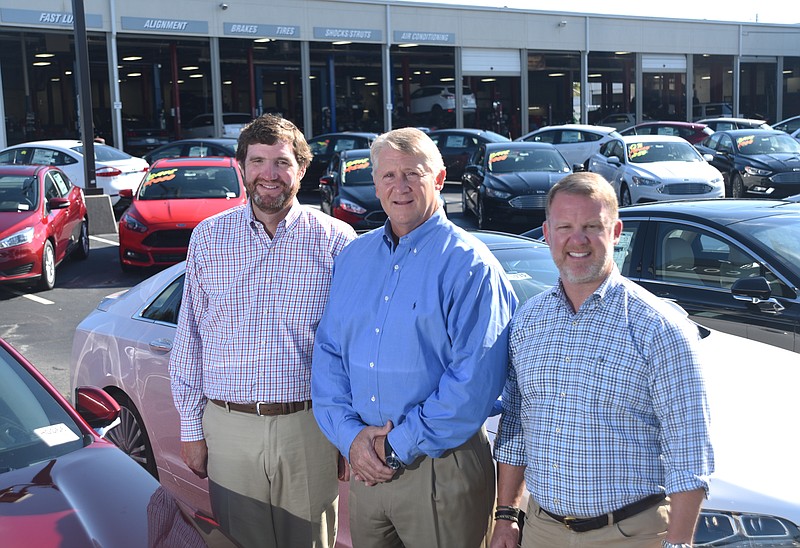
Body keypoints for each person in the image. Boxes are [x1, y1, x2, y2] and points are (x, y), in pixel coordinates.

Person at [312, 127, 518, 547]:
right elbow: (329, 353)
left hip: (439, 468)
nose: (399, 187)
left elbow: (472, 384)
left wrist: (392, 446)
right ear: (375, 182)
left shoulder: (471, 266)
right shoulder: (354, 257)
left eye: (413, 173)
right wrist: (349, 437)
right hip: (367, 470)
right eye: (388, 175)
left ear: (440, 179)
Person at [491, 172, 714, 548]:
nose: (577, 240)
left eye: (592, 226)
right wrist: (507, 516)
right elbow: (515, 429)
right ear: (547, 233)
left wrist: (679, 544)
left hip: (632, 534)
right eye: (565, 226)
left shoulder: (659, 327)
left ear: (616, 232)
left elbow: (690, 452)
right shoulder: (527, 322)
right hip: (543, 531)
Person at [169, 114, 357, 548]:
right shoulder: (208, 238)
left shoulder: (337, 240)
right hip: (228, 425)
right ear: (242, 167)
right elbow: (190, 339)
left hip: (309, 427)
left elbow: (350, 345)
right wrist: (191, 429)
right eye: (258, 161)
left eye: (282, 162)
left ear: (302, 169)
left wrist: (346, 432)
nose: (269, 175)